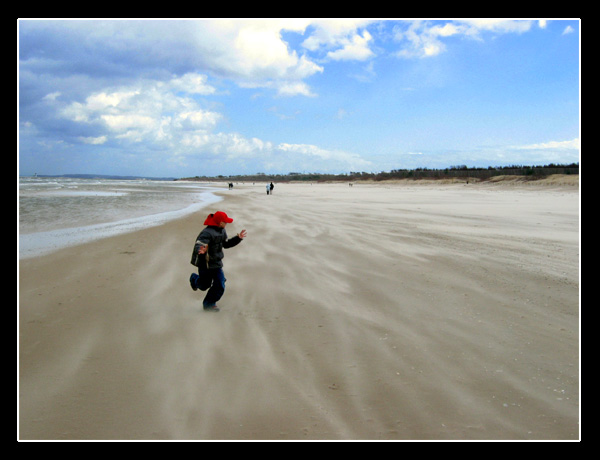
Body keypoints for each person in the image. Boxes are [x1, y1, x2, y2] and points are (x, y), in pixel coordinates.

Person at [189, 211, 246, 312]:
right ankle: (194, 279)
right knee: (204, 285)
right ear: (220, 222)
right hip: (205, 264)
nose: (227, 223)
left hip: (216, 263)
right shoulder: (207, 232)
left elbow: (226, 244)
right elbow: (200, 243)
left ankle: (209, 304)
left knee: (220, 284)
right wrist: (201, 250)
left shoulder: (222, 231)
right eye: (225, 222)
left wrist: (238, 238)